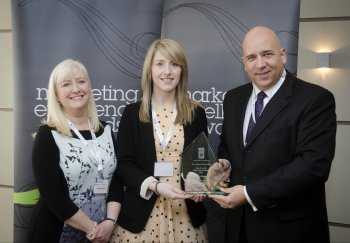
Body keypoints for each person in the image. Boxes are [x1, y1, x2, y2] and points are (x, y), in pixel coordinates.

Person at [209, 26, 337, 243]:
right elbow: (228, 146)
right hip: (238, 228)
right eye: (252, 57)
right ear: (244, 62)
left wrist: (249, 194)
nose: (260, 64)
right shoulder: (233, 98)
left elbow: (313, 166)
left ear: (283, 55)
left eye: (267, 54)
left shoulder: (315, 99)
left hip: (289, 231)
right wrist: (224, 164)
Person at [110, 39, 208, 242]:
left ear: (182, 70)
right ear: (150, 70)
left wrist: (199, 184)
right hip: (142, 214)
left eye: (174, 64)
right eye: (160, 64)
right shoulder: (132, 113)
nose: (168, 71)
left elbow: (201, 161)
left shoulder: (196, 113)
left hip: (185, 214)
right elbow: (124, 164)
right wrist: (155, 186)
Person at [27, 59, 123, 243]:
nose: (76, 89)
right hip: (55, 232)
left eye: (81, 81)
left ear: (89, 86)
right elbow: (51, 193)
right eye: (66, 84)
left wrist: (109, 222)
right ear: (56, 95)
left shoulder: (106, 129)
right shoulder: (48, 134)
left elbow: (116, 181)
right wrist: (93, 229)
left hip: (103, 231)